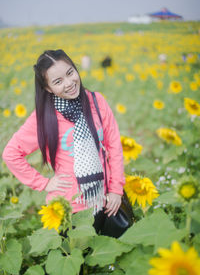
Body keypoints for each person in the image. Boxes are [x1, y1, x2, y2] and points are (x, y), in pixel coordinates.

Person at [2, 49, 125, 233]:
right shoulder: (44, 118)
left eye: (70, 73)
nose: (69, 83)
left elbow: (114, 146)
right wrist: (44, 183)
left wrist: (116, 189)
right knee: (77, 258)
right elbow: (11, 154)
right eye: (58, 81)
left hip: (104, 199)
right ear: (48, 88)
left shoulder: (96, 101)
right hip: (69, 209)